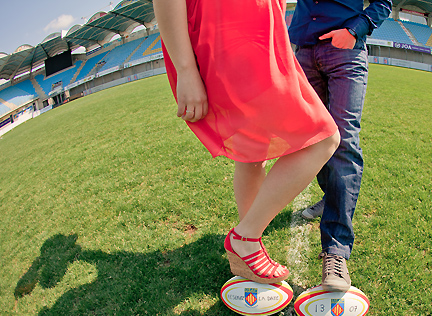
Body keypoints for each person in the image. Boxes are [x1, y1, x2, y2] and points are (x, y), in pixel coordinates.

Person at [154, 0, 340, 284]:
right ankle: (245, 238)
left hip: (261, 44)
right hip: (230, 40)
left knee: (252, 154)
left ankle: (250, 248)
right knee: (324, 139)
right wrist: (185, 69)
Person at [289, 0, 392, 291]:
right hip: (304, 53)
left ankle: (336, 251)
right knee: (314, 140)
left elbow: (383, 2)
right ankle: (329, 197)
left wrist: (354, 30)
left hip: (345, 50)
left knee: (343, 142)